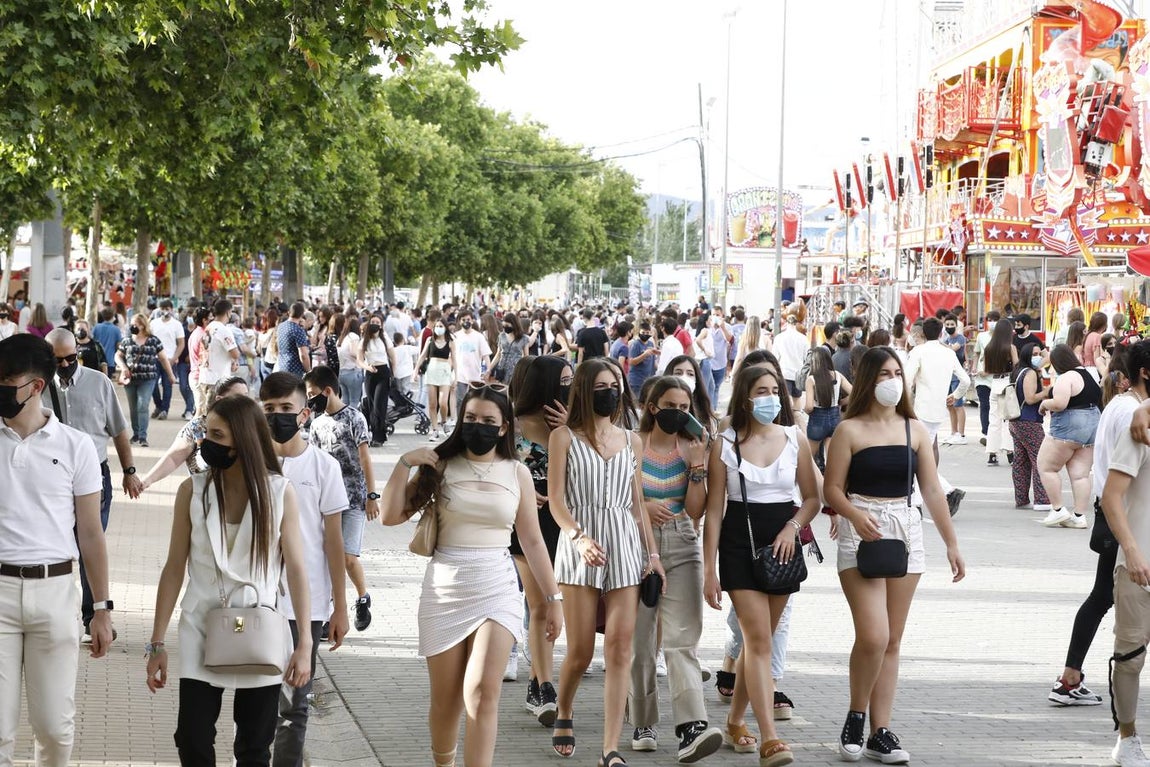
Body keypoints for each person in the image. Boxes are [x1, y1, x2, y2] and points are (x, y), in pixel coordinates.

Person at [380, 384, 564, 767]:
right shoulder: (441, 465)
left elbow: (531, 540)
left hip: (497, 586)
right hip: (444, 589)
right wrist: (404, 463)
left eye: (487, 420)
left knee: (481, 692)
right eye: (470, 418)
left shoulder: (517, 473)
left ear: (504, 427)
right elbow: (390, 516)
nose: (477, 425)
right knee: (446, 702)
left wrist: (553, 599)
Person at [144, 394, 313, 766]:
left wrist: (305, 644)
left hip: (261, 629)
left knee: (254, 747)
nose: (207, 442)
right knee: (192, 740)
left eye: (217, 435)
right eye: (207, 433)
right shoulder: (193, 490)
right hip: (200, 627)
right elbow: (173, 568)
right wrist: (156, 643)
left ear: (244, 439)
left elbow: (297, 570)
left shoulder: (279, 492)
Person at [823, 346, 965, 764]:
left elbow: (932, 489)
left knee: (892, 639)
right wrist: (854, 515)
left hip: (905, 529)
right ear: (868, 380)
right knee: (874, 635)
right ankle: (856, 715)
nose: (892, 381)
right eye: (884, 374)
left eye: (896, 373)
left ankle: (880, 730)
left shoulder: (914, 429)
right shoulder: (849, 430)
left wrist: (952, 543)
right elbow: (832, 489)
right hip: (861, 529)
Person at [0, 334, 115, 764]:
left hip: (56, 592)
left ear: (36, 386)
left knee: (53, 727)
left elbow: (91, 533)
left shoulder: (76, 446)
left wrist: (101, 609)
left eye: (7, 383)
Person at [547, 359, 664, 767]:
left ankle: (609, 747)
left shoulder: (632, 440)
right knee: (580, 652)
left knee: (619, 647)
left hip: (624, 544)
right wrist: (578, 537)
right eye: (601, 386)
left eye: (615, 385)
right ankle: (564, 708)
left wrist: (652, 555)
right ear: (583, 390)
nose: (610, 392)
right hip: (580, 544)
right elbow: (556, 501)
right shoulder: (563, 437)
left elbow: (636, 503)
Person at [702, 362, 819, 767]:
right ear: (745, 399)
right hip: (738, 544)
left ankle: (735, 721)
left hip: (781, 547)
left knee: (759, 643)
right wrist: (709, 570)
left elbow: (812, 498)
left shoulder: (794, 438)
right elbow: (713, 511)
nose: (769, 398)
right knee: (758, 640)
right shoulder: (725, 443)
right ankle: (770, 738)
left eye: (773, 391)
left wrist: (792, 528)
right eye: (760, 392)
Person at [1047, 343, 1148, 715]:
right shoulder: (1132, 413)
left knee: (1102, 595)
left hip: (1117, 515)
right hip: (1124, 518)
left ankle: (1070, 676)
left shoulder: (1121, 405)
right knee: (1104, 597)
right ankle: (1070, 677)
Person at [630, 376, 724, 762]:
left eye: (685, 408)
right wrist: (643, 508)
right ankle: (642, 721)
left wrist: (698, 466)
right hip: (637, 543)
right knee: (640, 640)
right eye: (671, 406)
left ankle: (691, 726)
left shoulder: (691, 448)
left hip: (683, 540)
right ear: (653, 407)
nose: (678, 413)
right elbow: (618, 495)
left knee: (683, 639)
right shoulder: (633, 443)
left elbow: (697, 509)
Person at [259, 372, 350, 767]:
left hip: (306, 604)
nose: (277, 416)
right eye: (269, 409)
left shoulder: (324, 467)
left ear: (304, 413)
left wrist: (340, 607)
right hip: (257, 598)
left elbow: (334, 542)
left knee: (294, 706)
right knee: (256, 704)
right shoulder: (250, 465)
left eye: (286, 408)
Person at [43, 327, 142, 636]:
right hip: (51, 478)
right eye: (57, 360)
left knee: (89, 543)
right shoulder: (38, 387)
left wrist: (129, 471)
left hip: (95, 477)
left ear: (78, 353)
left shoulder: (99, 383)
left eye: (70, 358)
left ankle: (92, 616)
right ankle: (53, 613)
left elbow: (119, 431)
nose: (64, 365)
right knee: (54, 546)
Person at [509, 355, 572, 724]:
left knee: (554, 604)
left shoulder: (572, 425)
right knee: (540, 604)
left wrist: (569, 429)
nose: (569, 387)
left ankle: (537, 682)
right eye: (563, 381)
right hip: (524, 523)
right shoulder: (511, 424)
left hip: (564, 522)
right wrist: (521, 490)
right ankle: (545, 686)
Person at [304, 365, 379, 633]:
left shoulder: (355, 418)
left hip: (355, 499)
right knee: (327, 559)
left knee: (347, 558)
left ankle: (362, 597)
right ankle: (328, 615)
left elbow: (365, 458)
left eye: (312, 394)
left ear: (327, 391)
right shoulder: (316, 424)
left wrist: (372, 495)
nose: (310, 400)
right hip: (326, 501)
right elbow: (313, 461)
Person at [903, 317, 970, 516]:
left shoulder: (918, 352)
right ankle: (946, 492)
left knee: (914, 456)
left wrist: (901, 405)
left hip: (920, 409)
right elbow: (965, 380)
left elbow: (907, 380)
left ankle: (920, 501)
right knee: (920, 455)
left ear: (923, 333)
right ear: (941, 332)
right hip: (939, 409)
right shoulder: (948, 353)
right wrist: (954, 395)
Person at [139, 377, 250, 490]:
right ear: (219, 399)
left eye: (246, 397)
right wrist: (148, 480)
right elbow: (173, 458)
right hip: (202, 493)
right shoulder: (198, 427)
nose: (244, 402)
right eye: (238, 397)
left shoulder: (251, 427)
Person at [1038, 344, 1102, 529]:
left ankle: (1058, 509)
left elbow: (1060, 403)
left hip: (1069, 426)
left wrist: (1044, 404)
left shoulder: (1066, 377)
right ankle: (1079, 516)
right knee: (1080, 475)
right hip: (1092, 425)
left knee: (1047, 467)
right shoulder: (1089, 374)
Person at [115, 313, 176, 448]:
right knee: (133, 407)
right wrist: (123, 367)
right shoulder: (127, 341)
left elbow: (163, 359)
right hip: (130, 379)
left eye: (135, 324)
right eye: (131, 324)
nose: (132, 326)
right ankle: (136, 433)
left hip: (148, 379)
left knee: (142, 405)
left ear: (143, 325)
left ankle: (143, 436)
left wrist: (170, 375)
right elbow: (118, 356)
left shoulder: (153, 341)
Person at [1008, 344, 1052, 511]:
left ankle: (1021, 498)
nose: (1038, 356)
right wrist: (1046, 392)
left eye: (1039, 353)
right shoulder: (1030, 373)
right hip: (1029, 421)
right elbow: (1030, 398)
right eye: (1034, 354)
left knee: (1021, 461)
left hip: (1016, 420)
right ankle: (1042, 500)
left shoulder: (1018, 371)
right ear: (1027, 355)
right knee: (1041, 459)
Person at [804, 345, 852, 472]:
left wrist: (805, 411)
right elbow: (854, 393)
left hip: (817, 420)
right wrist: (841, 402)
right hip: (835, 419)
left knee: (808, 458)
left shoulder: (811, 379)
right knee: (832, 458)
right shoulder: (837, 375)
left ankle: (814, 479)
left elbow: (809, 406)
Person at [978, 319, 1018, 464]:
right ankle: (1010, 452)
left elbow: (987, 370)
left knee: (993, 420)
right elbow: (1017, 365)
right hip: (1007, 383)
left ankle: (992, 454)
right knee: (1008, 419)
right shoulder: (1010, 348)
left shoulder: (989, 348)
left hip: (994, 383)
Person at [358, 319, 396, 447]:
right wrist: (367, 367)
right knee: (371, 404)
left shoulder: (385, 339)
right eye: (373, 322)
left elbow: (393, 357)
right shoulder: (364, 340)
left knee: (379, 405)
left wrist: (393, 374)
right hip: (370, 373)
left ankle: (379, 437)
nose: (375, 325)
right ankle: (373, 434)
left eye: (378, 323)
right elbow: (359, 360)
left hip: (383, 372)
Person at [198, 300, 240, 415]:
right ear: (228, 312)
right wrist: (235, 359)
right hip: (218, 378)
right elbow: (235, 353)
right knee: (215, 414)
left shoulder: (208, 327)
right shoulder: (223, 330)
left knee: (206, 412)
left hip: (205, 375)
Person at [417, 318, 456, 440]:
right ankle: (435, 430)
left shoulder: (450, 342)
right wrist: (415, 370)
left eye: (441, 326)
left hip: (444, 371)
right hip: (431, 371)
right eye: (437, 326)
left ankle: (444, 421)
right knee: (432, 404)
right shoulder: (430, 340)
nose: (438, 328)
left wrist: (456, 376)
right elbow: (422, 356)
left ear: (445, 328)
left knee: (443, 403)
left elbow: (455, 360)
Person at [969, 310, 1002, 441]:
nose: (992, 322)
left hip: (997, 377)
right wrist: (974, 367)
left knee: (997, 407)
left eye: (995, 320)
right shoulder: (981, 336)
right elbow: (977, 353)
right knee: (984, 405)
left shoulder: (1003, 337)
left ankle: (996, 433)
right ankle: (986, 433)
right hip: (981, 377)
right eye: (990, 320)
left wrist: (988, 371)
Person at [151, 299, 185, 420]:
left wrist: (174, 358)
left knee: (167, 385)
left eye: (167, 309)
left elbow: (181, 343)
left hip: (170, 358)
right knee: (152, 385)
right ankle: (158, 406)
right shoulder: (154, 323)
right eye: (162, 309)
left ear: (171, 309)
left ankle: (164, 409)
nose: (165, 311)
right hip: (154, 359)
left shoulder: (177, 325)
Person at [453, 311, 492, 411]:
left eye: (468, 319)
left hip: (475, 375)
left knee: (474, 401)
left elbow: (486, 354)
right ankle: (460, 420)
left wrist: (489, 369)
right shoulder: (455, 336)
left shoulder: (479, 336)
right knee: (460, 401)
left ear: (472, 321)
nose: (466, 322)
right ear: (459, 321)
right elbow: (451, 356)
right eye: (463, 320)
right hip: (460, 375)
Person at [941, 314, 968, 444]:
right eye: (947, 324)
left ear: (956, 326)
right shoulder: (946, 339)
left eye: (952, 324)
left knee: (958, 405)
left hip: (958, 376)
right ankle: (954, 432)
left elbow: (952, 349)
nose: (949, 326)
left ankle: (961, 434)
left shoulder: (960, 338)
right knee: (950, 405)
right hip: (947, 376)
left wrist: (940, 344)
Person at [491, 313, 532, 384]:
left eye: (507, 326)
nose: (505, 328)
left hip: (516, 369)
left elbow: (526, 357)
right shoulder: (501, 336)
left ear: (514, 324)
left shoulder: (523, 338)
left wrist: (525, 371)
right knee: (501, 388)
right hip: (502, 368)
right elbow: (498, 354)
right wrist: (489, 369)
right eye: (503, 326)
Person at [277, 302, 313, 376]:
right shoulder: (298, 330)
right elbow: (303, 355)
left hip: (282, 366)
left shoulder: (281, 326)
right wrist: (309, 371)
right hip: (295, 370)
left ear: (289, 312)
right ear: (302, 315)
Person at [627, 321, 657, 394]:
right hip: (637, 380)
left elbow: (653, 361)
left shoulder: (650, 344)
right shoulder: (636, 344)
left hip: (647, 379)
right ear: (639, 332)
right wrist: (644, 355)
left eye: (647, 333)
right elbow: (631, 362)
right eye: (643, 332)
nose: (645, 334)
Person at [92, 308, 123, 378]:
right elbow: (118, 345)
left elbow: (92, 340)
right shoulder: (116, 329)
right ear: (112, 317)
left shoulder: (96, 327)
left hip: (97, 359)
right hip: (110, 361)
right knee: (107, 381)